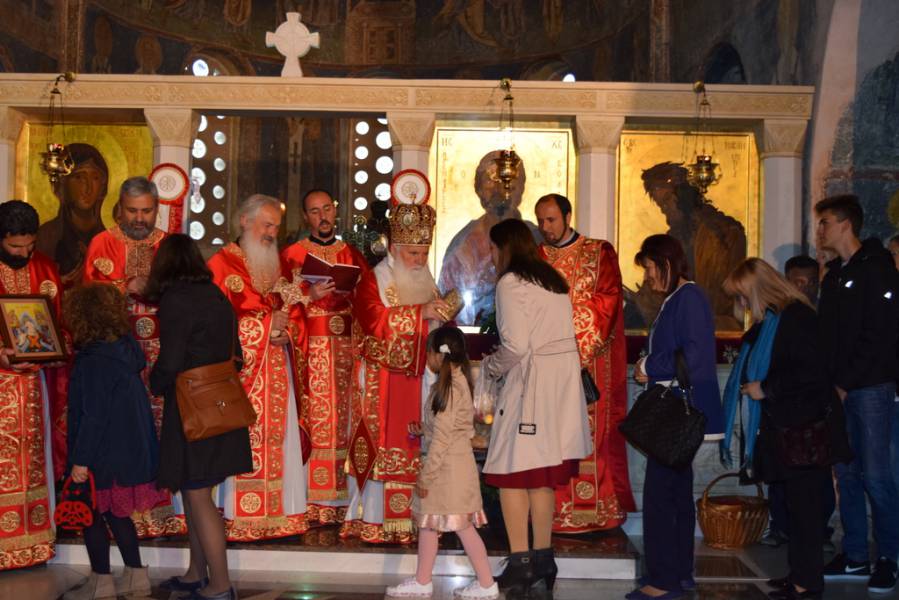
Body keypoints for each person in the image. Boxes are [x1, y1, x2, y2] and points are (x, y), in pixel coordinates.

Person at [721, 258, 852, 600]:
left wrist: (765, 388)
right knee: (795, 509)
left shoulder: (797, 318)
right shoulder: (773, 320)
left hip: (805, 431)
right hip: (788, 429)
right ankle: (799, 574)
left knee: (806, 511)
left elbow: (811, 373)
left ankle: (807, 584)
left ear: (757, 290)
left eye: (743, 295)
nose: (741, 303)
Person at [480, 218, 592, 594]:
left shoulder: (511, 282)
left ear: (505, 248)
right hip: (559, 388)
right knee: (541, 478)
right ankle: (544, 559)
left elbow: (515, 345)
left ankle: (520, 564)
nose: (491, 255)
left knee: (511, 475)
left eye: (493, 248)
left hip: (531, 388)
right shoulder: (551, 279)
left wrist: (490, 368)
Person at [148, 234, 252, 600]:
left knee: (197, 495)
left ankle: (220, 585)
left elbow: (171, 359)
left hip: (192, 407)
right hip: (219, 403)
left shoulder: (175, 300)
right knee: (197, 492)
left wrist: (153, 382)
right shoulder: (216, 294)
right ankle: (196, 573)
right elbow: (237, 355)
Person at [343, 194, 449, 544]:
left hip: (420, 380)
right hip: (383, 384)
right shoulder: (374, 280)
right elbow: (374, 324)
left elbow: (434, 330)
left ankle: (415, 520)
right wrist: (421, 314)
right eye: (412, 254)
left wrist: (441, 318)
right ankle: (375, 520)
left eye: (423, 254)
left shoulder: (426, 280)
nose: (419, 261)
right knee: (385, 448)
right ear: (394, 248)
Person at [207, 194, 309, 541]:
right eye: (266, 225)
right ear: (244, 222)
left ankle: (280, 515)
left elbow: (294, 313)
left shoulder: (275, 264)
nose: (271, 233)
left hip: (276, 372)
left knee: (279, 443)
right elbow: (213, 326)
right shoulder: (221, 266)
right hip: (242, 379)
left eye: (276, 228)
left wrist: (286, 333)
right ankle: (241, 517)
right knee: (242, 444)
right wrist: (266, 327)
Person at [82, 176, 178, 538]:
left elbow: (187, 292)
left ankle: (164, 511)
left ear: (157, 209)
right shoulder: (102, 243)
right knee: (122, 430)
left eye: (146, 211)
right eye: (132, 211)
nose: (139, 218)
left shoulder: (169, 245)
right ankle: (125, 514)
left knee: (164, 428)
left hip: (163, 353)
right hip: (118, 356)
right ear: (120, 209)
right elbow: (89, 300)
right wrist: (125, 286)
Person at [535, 193, 635, 533]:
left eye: (551, 220)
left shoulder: (598, 252)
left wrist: (567, 337)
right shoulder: (536, 257)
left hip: (588, 364)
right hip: (546, 365)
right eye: (541, 221)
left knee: (590, 438)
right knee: (550, 437)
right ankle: (552, 511)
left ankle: (593, 511)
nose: (545, 227)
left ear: (567, 216)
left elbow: (608, 301)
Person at [631, 234, 724, 600]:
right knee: (676, 495)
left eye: (650, 268)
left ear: (666, 264)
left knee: (661, 497)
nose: (648, 277)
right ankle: (680, 573)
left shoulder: (690, 297)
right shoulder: (679, 299)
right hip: (676, 412)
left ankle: (663, 581)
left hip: (676, 414)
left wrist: (647, 366)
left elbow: (695, 355)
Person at [815, 195, 899, 594]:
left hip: (870, 388)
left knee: (877, 475)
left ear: (846, 224)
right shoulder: (833, 275)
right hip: (839, 389)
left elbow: (880, 335)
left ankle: (890, 557)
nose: (820, 230)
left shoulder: (878, 268)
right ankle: (854, 555)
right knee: (845, 473)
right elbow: (828, 336)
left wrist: (845, 382)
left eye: (825, 222)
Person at [62, 283, 167, 600]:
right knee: (117, 515)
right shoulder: (124, 349)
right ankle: (136, 577)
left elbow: (93, 416)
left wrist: (80, 460)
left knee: (92, 514)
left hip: (103, 453)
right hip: (127, 451)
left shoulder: (94, 359)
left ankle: (101, 581)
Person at [386, 326, 497, 600]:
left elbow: (444, 439)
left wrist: (427, 476)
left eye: (428, 353)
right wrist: (424, 429)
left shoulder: (450, 387)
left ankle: (486, 583)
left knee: (463, 527)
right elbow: (447, 428)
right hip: (451, 465)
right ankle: (423, 581)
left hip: (448, 469)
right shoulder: (452, 383)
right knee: (429, 523)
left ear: (438, 355)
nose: (427, 358)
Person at [281, 189, 370, 525]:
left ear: (335, 211)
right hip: (311, 350)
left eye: (327, 209)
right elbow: (278, 298)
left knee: (345, 420)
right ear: (306, 217)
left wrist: (354, 292)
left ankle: (343, 499)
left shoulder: (351, 253)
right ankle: (312, 498)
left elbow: (370, 297)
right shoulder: (292, 254)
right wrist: (309, 293)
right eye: (315, 211)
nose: (323, 217)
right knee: (316, 418)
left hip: (346, 349)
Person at [0, 200, 61, 571]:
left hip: (34, 388)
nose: (24, 254)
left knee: (33, 460)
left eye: (29, 245)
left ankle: (33, 540)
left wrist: (53, 351)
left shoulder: (46, 268)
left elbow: (61, 326)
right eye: (14, 246)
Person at [762, 255, 837, 552]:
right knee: (783, 470)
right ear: (787, 281)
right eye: (798, 282)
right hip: (785, 408)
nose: (806, 288)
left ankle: (818, 533)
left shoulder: (820, 314)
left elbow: (813, 368)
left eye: (811, 282)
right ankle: (782, 526)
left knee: (815, 476)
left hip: (813, 409)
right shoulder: (782, 313)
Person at [639, 162, 746, 331]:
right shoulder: (674, 237)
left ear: (684, 196)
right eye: (661, 206)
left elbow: (722, 294)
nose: (665, 211)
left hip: (715, 324)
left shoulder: (722, 233)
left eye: (667, 202)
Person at [438, 150, 539, 326]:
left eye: (510, 181)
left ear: (521, 188)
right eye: (490, 180)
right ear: (477, 188)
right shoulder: (462, 245)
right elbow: (449, 307)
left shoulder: (536, 237)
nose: (500, 189)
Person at [37, 143, 109, 285]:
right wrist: (57, 281)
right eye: (79, 177)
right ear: (62, 184)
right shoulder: (45, 237)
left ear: (102, 187)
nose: (88, 187)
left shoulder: (109, 241)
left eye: (95, 178)